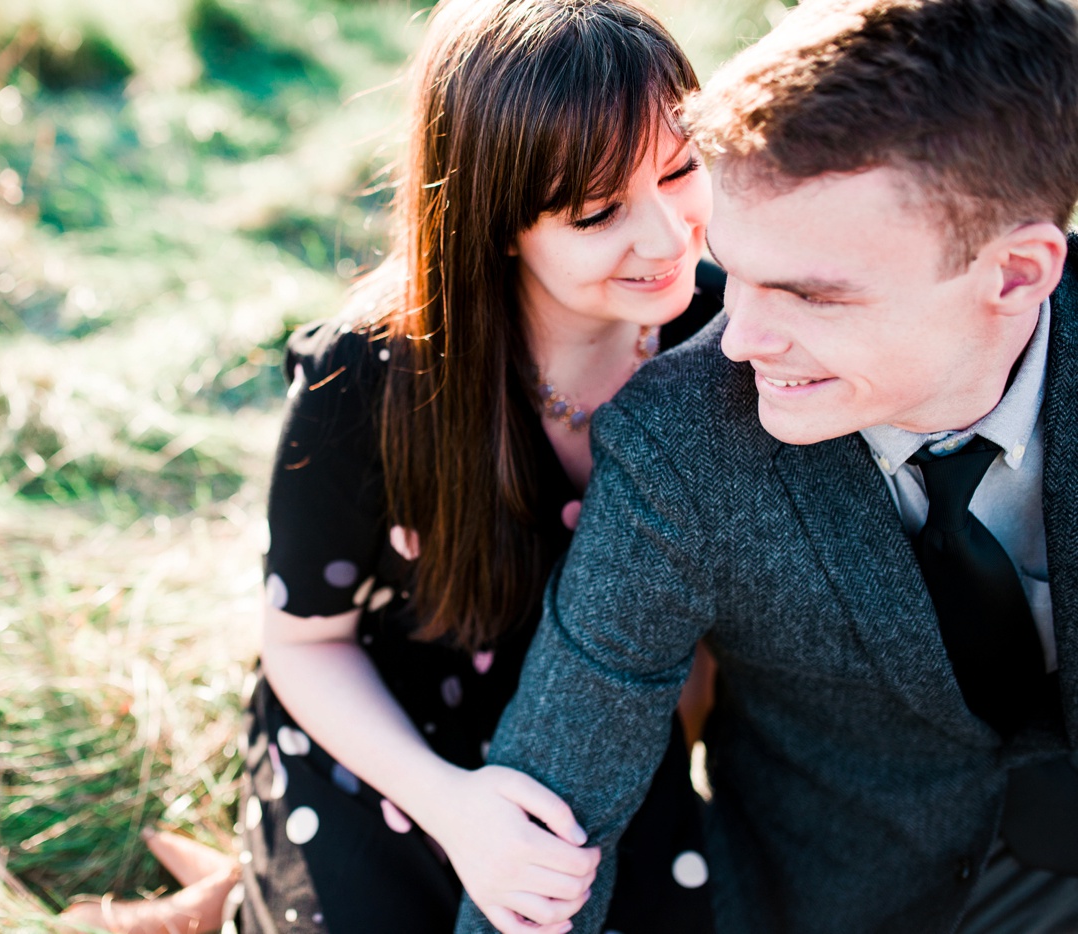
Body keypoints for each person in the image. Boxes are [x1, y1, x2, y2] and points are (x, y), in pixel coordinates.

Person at [451, 0, 1078, 932]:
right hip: (840, 899)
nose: (738, 339)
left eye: (811, 295)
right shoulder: (680, 440)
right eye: (733, 270)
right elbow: (560, 806)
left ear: (1019, 273)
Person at [238, 1, 724, 932]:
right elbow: (305, 643)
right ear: (495, 222)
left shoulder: (726, 332)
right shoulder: (369, 377)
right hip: (388, 734)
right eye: (597, 212)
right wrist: (453, 807)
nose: (668, 239)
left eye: (682, 168)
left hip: (606, 726)